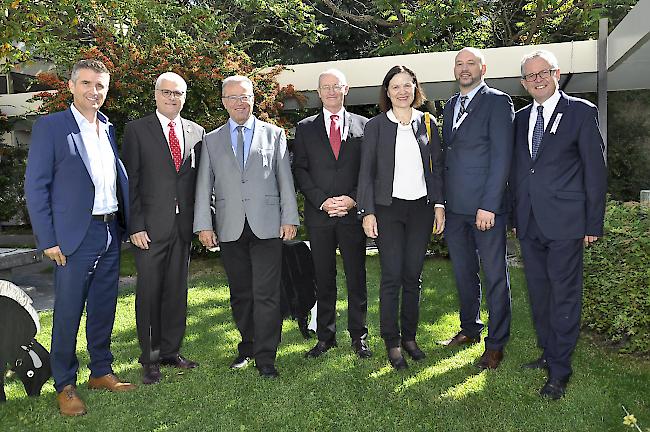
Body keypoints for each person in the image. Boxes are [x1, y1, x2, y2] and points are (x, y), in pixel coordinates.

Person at [24, 59, 135, 416]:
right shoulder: (51, 127)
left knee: (104, 307)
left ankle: (100, 371)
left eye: (100, 85)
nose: (94, 91)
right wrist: (48, 238)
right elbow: (36, 187)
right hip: (73, 236)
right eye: (86, 83)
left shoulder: (107, 127)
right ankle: (65, 384)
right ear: (71, 86)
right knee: (69, 312)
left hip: (108, 230)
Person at [512, 50, 607, 399]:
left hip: (567, 222)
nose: (537, 79)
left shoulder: (581, 112)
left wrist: (592, 222)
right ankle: (549, 352)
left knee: (564, 295)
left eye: (543, 73)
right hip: (530, 222)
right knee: (539, 294)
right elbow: (518, 171)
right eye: (530, 76)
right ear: (523, 83)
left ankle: (560, 371)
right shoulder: (520, 118)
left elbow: (595, 172)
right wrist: (513, 216)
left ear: (556, 74)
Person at [193, 75, 299, 378]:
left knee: (266, 293)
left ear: (254, 99)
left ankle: (266, 356)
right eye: (233, 98)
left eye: (245, 96)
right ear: (224, 102)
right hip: (229, 227)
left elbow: (284, 181)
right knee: (241, 293)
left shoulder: (274, 134)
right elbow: (204, 186)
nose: (240, 102)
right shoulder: (211, 140)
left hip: (267, 226)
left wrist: (289, 217)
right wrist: (204, 224)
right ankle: (248, 347)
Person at [357, 65, 445, 370]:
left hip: (421, 209)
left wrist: (439, 205)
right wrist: (367, 211)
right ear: (387, 92)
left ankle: (410, 337)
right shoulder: (376, 126)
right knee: (392, 276)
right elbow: (366, 173)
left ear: (415, 88)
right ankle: (392, 342)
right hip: (388, 209)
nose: (402, 91)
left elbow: (436, 168)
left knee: (413, 277)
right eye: (395, 87)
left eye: (408, 85)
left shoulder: (429, 123)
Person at [121, 72, 204, 385]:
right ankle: (151, 358)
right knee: (150, 293)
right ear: (155, 94)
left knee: (176, 292)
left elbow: (199, 181)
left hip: (182, 228)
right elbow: (130, 184)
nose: (172, 98)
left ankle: (171, 351)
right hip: (149, 230)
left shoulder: (197, 131)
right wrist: (135, 225)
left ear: (184, 97)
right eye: (167, 92)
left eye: (178, 93)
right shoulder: (137, 130)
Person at [438, 47, 514, 370]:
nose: (464, 68)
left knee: (495, 276)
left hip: (486, 210)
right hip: (455, 210)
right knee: (464, 273)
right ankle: (469, 329)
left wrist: (489, 205)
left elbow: (502, 158)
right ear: (454, 70)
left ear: (483, 67)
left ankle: (495, 345)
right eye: (459, 64)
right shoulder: (451, 105)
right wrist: (441, 203)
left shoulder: (498, 101)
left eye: (471, 63)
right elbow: (447, 157)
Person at [293, 69, 371, 359]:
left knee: (356, 277)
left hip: (352, 215)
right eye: (325, 87)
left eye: (335, 86)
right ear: (318, 92)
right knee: (323, 278)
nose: (330, 92)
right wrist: (323, 201)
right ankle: (325, 337)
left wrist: (352, 199)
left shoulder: (365, 126)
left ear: (346, 89)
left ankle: (359, 336)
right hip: (320, 215)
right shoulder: (305, 128)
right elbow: (300, 169)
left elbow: (368, 170)